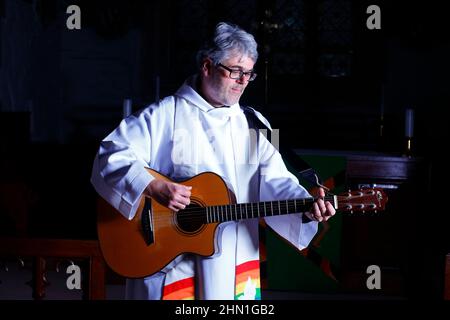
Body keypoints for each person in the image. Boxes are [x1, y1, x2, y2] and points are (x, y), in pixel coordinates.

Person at [91, 21, 335, 300]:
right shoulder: (164, 114)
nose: (243, 81)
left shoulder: (259, 124)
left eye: (249, 74)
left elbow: (278, 180)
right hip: (171, 260)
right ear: (207, 66)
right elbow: (110, 153)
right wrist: (151, 186)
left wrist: (306, 208)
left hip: (236, 254)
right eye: (235, 71)